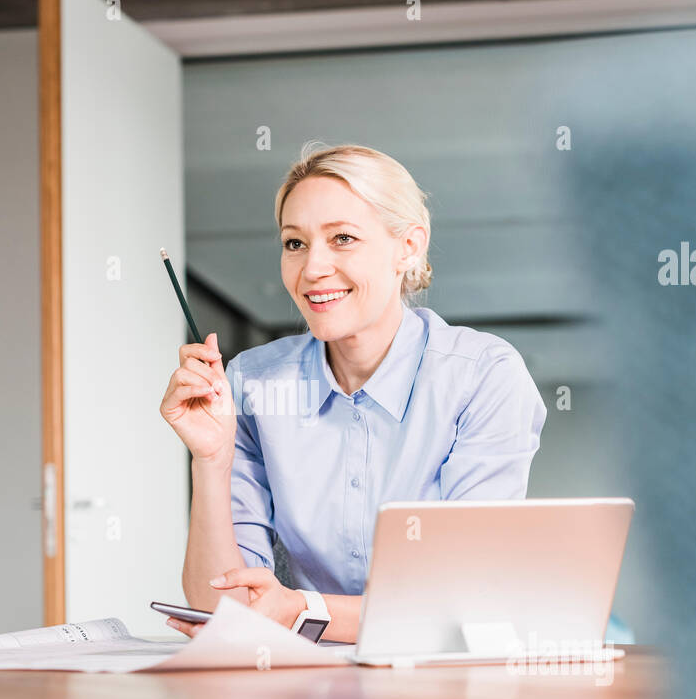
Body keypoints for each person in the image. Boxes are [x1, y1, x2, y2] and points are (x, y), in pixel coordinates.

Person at [160, 142, 561, 643]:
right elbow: (221, 606)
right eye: (294, 243)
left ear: (409, 247)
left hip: (446, 681)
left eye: (343, 238)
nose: (312, 269)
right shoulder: (252, 383)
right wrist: (211, 460)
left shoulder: (482, 377)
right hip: (305, 685)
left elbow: (467, 599)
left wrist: (299, 609)